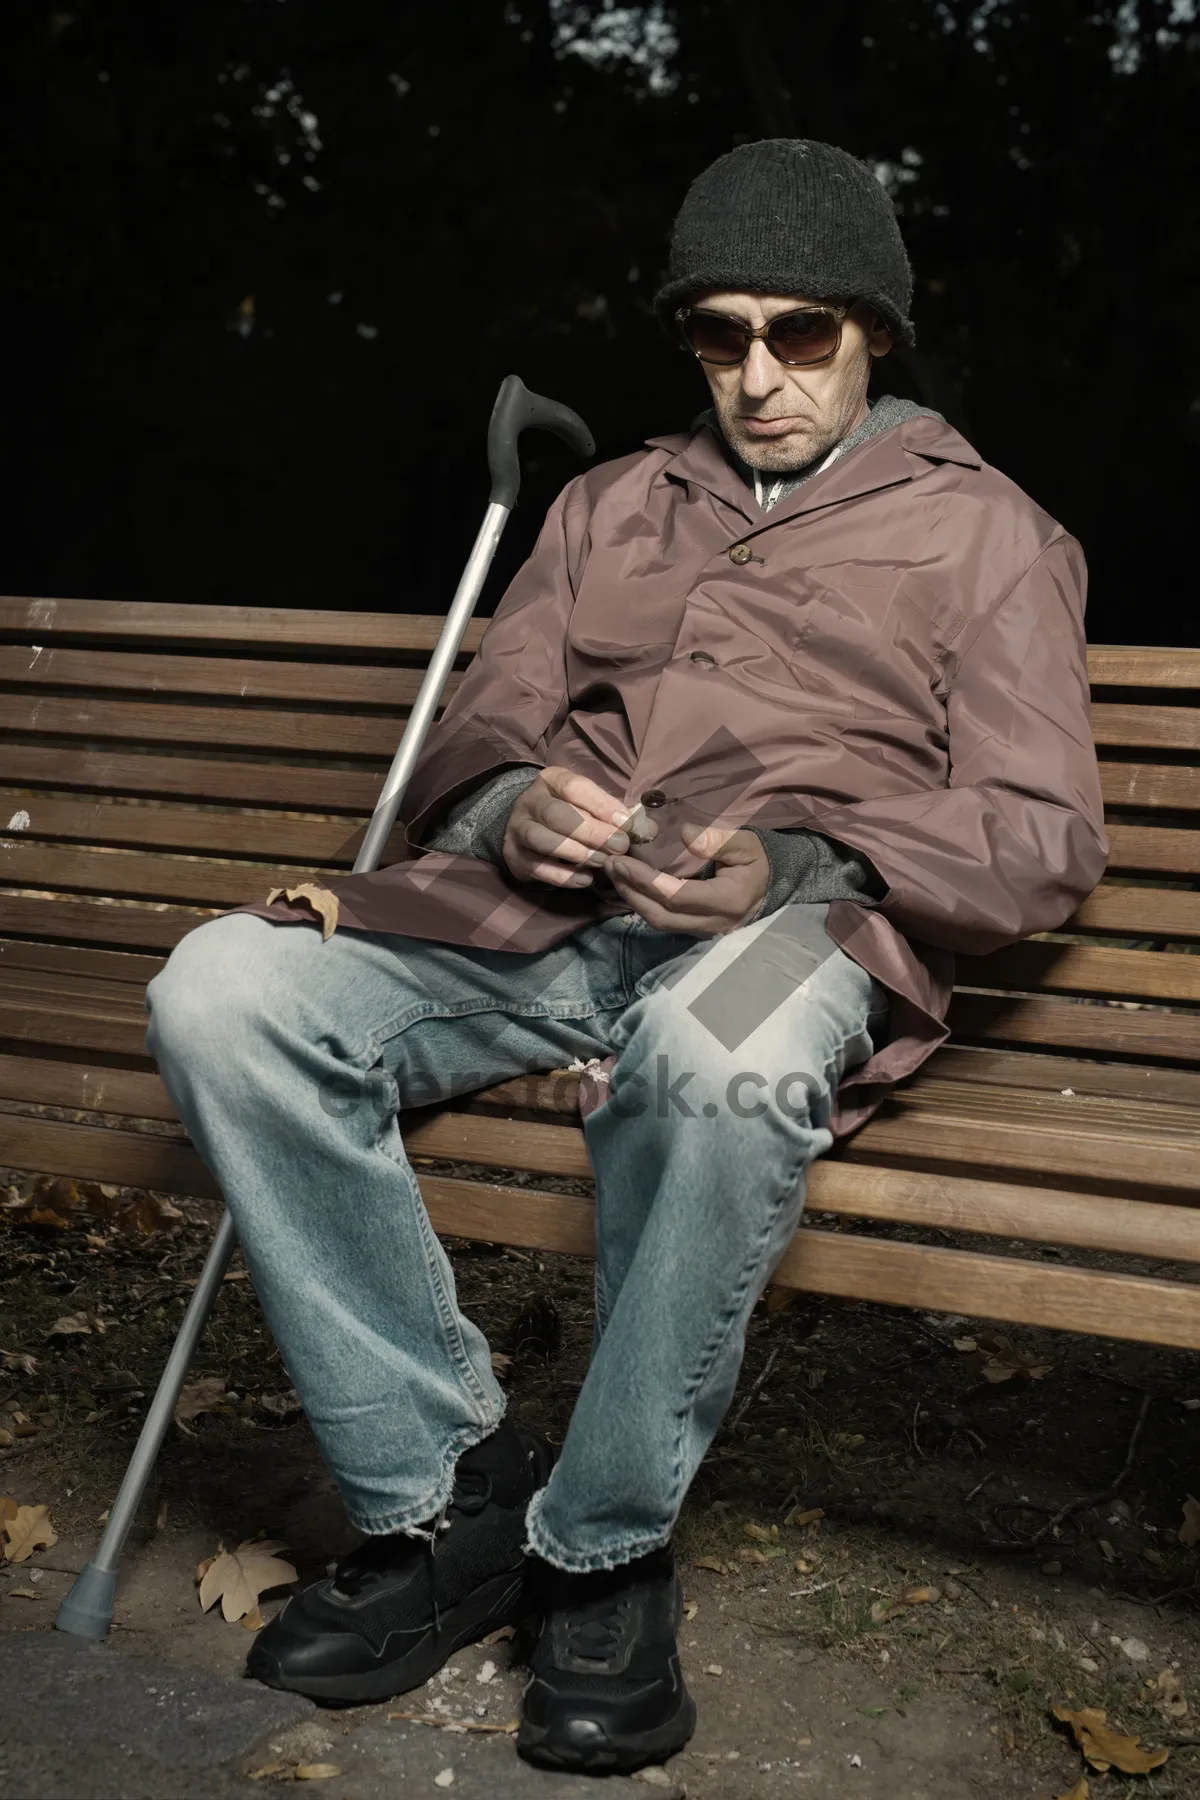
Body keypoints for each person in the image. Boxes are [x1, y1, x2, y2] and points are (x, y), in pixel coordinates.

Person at [143, 138, 1107, 1775]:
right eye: (717, 335)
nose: (755, 376)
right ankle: (446, 1498)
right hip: (539, 922)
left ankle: (601, 1550)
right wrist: (513, 805)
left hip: (792, 925)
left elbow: (1038, 830)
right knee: (221, 992)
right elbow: (490, 717)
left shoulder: (988, 537)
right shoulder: (608, 506)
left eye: (799, 335)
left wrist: (802, 859)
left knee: (719, 1060)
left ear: (875, 331)